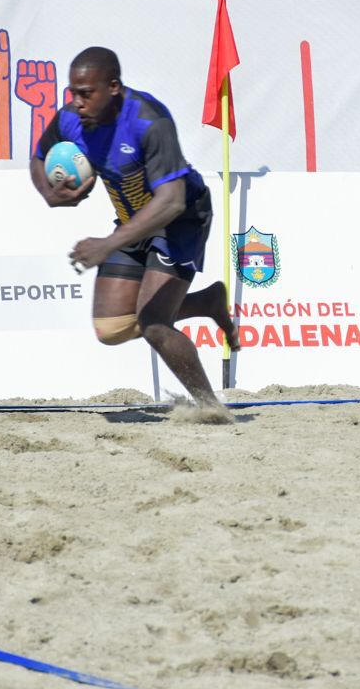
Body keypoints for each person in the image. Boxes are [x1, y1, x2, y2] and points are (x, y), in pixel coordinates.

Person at [29, 47, 239, 415]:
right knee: (110, 329)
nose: (76, 102)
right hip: (133, 221)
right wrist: (49, 193)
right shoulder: (71, 119)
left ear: (113, 87)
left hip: (181, 219)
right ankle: (206, 302)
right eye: (72, 92)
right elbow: (39, 157)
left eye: (85, 93)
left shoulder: (148, 120)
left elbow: (171, 201)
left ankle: (211, 408)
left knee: (154, 323)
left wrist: (107, 244)